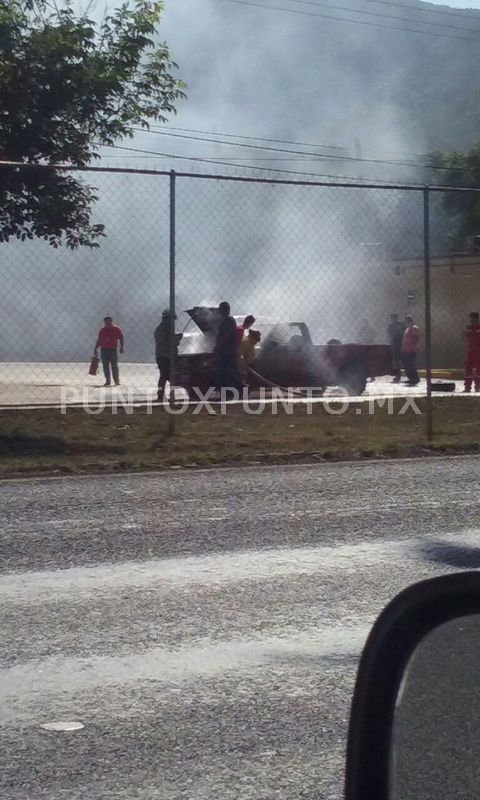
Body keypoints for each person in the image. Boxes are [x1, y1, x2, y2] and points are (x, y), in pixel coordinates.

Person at [215, 301, 243, 394]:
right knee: (229, 374)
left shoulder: (228, 321)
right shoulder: (227, 321)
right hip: (227, 351)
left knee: (227, 374)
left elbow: (224, 336)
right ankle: (232, 392)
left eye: (220, 309)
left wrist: (218, 347)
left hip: (228, 352)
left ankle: (232, 392)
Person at [154, 309, 182, 401]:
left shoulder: (163, 329)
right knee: (166, 376)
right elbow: (168, 343)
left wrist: (176, 337)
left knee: (165, 376)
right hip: (164, 357)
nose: (173, 322)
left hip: (165, 356)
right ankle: (163, 395)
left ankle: (163, 395)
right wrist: (177, 339)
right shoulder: (162, 330)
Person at [95, 316, 124, 387]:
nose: (108, 323)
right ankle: (108, 381)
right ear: (104, 322)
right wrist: (95, 348)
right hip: (104, 350)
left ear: (111, 321)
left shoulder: (116, 329)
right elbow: (99, 340)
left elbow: (121, 338)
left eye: (109, 322)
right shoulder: (102, 330)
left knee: (114, 366)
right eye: (107, 322)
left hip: (113, 350)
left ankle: (116, 381)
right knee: (105, 366)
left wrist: (122, 347)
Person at [463, 311, 480, 393]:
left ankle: (478, 386)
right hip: (470, 351)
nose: (471, 320)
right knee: (468, 369)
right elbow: (464, 335)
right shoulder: (468, 327)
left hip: (478, 351)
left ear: (477, 319)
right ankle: (467, 387)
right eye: (470, 319)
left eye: (473, 319)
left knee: (479, 369)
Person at [401, 315, 420, 386]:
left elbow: (416, 338)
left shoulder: (414, 328)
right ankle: (411, 378)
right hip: (406, 349)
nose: (405, 322)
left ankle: (415, 379)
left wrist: (412, 346)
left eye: (406, 321)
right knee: (407, 365)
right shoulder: (408, 328)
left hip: (411, 349)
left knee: (411, 365)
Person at [387, 313, 407, 383]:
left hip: (401, 344)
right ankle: (398, 375)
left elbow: (406, 333)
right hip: (395, 345)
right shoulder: (391, 326)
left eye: (393, 318)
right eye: (392, 318)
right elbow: (389, 335)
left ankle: (407, 375)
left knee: (404, 360)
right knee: (396, 361)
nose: (392, 319)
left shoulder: (401, 325)